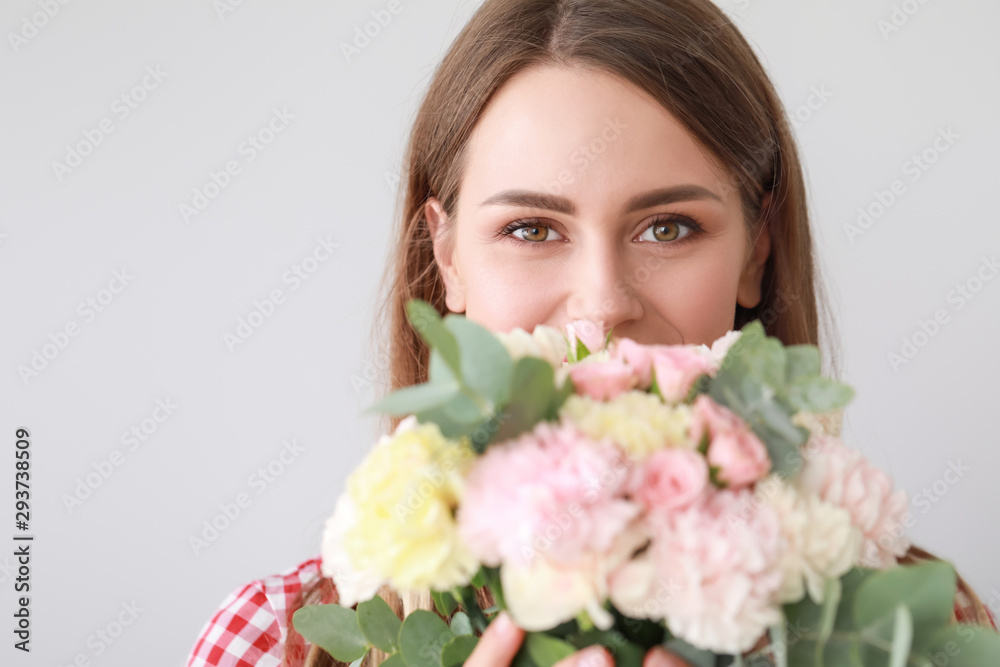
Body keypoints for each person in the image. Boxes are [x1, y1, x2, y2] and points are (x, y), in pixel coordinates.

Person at [184, 0, 997, 665]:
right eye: (533, 230)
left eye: (669, 227)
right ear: (447, 258)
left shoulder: (923, 628)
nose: (602, 306)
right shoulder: (269, 641)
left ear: (759, 253)